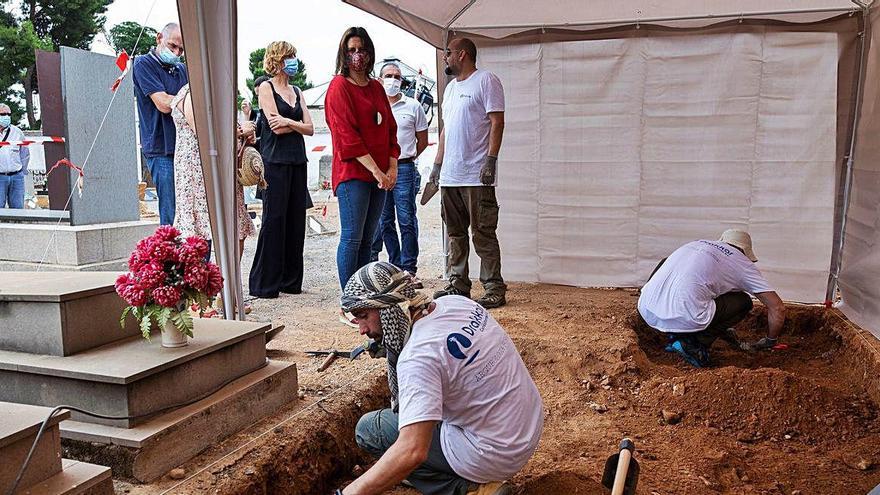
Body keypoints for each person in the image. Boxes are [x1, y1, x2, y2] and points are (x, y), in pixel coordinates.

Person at [337, 262, 543, 495]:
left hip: (492, 454)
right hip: (527, 427)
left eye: (364, 316)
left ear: (389, 310)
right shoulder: (456, 303)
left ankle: (471, 489)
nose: (362, 330)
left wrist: (346, 494)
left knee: (371, 430)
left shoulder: (417, 358)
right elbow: (444, 349)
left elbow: (412, 451)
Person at [325, 27, 400, 326]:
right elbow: (347, 137)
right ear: (344, 53)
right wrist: (378, 170)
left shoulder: (377, 88)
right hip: (355, 173)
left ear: (370, 52)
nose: (358, 55)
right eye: (352, 49)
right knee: (353, 238)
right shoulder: (338, 87)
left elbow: (391, 130)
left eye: (362, 49)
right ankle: (350, 303)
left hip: (379, 175)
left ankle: (365, 298)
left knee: (369, 240)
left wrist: (391, 169)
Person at [430, 38, 507, 309]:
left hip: (476, 175)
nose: (445, 57)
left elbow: (497, 121)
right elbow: (446, 131)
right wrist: (437, 168)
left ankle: (494, 287)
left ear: (462, 54)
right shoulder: (450, 89)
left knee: (483, 232)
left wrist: (491, 160)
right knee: (455, 233)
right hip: (451, 176)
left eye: (448, 53)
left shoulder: (486, 80)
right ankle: (458, 284)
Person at [637, 230, 787, 368]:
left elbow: (665, 263)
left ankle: (675, 334)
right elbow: (777, 307)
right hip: (684, 316)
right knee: (743, 301)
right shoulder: (742, 262)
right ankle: (693, 344)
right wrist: (770, 340)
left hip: (647, 309)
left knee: (680, 273)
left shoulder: (695, 244)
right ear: (745, 251)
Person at [249, 41, 314, 299]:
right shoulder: (266, 87)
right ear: (278, 59)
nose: (293, 60)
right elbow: (274, 127)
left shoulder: (298, 90)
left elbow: (310, 127)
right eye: (290, 56)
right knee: (274, 220)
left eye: (295, 56)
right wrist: (294, 123)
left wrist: (289, 121)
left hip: (298, 160)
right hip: (274, 161)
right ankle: (265, 283)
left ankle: (290, 281)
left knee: (296, 222)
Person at [169, 83, 256, 257]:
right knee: (198, 233)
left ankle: (228, 280)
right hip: (198, 174)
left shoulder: (219, 93)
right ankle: (203, 280)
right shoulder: (190, 93)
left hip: (223, 171)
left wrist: (245, 136)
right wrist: (239, 131)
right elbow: (203, 133)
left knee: (234, 227)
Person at [370, 62, 429, 287]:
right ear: (380, 78)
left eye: (396, 76)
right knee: (384, 221)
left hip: (404, 167)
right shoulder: (374, 106)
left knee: (406, 219)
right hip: (380, 169)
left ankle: (409, 268)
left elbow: (422, 140)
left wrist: (409, 157)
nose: (392, 79)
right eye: (388, 75)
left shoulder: (413, 106)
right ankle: (395, 265)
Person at [133, 22, 188, 226]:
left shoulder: (181, 69)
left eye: (181, 49)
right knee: (171, 211)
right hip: (160, 148)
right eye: (173, 46)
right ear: (159, 38)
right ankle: (170, 255)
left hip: (185, 147)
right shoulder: (143, 64)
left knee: (190, 210)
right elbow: (163, 103)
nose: (176, 52)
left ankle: (194, 256)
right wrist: (190, 104)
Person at [0, 103, 29, 209]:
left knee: (18, 209)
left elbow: (25, 153)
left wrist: (22, 171)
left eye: (8, 114)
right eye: (3, 114)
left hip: (17, 177)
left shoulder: (17, 132)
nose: (6, 117)